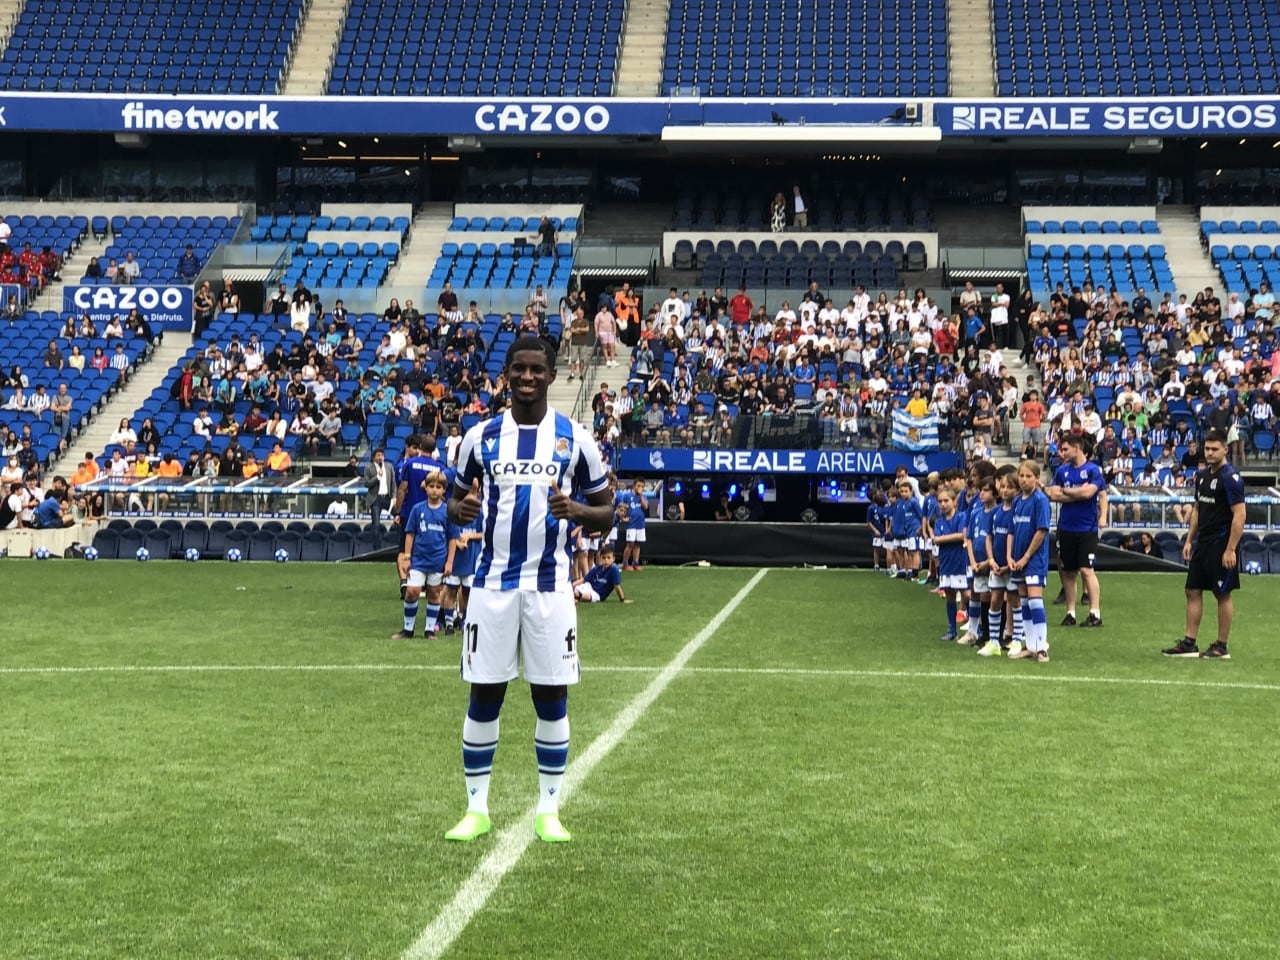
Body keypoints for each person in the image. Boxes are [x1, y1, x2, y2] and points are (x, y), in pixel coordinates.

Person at [443, 336, 614, 844]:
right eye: (518, 369)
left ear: (552, 374)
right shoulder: (480, 436)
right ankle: (477, 810)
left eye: (537, 369)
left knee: (550, 696)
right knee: (484, 693)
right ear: (506, 374)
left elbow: (607, 512)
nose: (527, 377)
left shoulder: (575, 438)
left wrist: (578, 512)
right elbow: (454, 503)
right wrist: (461, 512)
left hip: (550, 587)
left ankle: (549, 810)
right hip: (492, 585)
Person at [1163, 429, 1245, 660]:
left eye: (1214, 449)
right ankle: (1189, 643)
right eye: (1207, 449)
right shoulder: (1201, 476)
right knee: (1192, 589)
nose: (1209, 453)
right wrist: (1189, 539)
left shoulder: (1231, 478)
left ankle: (1221, 646)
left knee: (1222, 593)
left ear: (1225, 449)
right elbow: (1198, 509)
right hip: (1203, 542)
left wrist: (1230, 549)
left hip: (1222, 543)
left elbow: (1239, 516)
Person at [1046, 433, 1105, 628]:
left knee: (1087, 570)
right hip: (1066, 527)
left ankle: (1095, 613)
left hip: (1087, 527)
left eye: (1065, 449)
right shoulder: (1061, 471)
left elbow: (1090, 493)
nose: (1061, 453)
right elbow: (1052, 494)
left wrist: (1067, 492)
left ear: (1077, 448)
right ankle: (1070, 613)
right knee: (1068, 572)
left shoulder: (1093, 470)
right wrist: (1077, 493)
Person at [394, 470, 451, 640]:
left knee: (434, 593)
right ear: (425, 488)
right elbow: (410, 534)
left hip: (438, 560)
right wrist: (407, 556)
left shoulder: (448, 512)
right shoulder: (417, 509)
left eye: (438, 487)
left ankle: (429, 630)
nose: (434, 490)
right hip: (418, 559)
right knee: (412, 591)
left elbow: (452, 539)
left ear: (443, 490)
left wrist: (449, 562)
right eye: (431, 486)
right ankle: (408, 629)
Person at [1007, 460, 1052, 662]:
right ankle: (1030, 645)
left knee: (1035, 600)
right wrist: (1009, 556)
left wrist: (1026, 556)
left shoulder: (1040, 500)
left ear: (1037, 478)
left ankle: (1042, 647)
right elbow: (1011, 531)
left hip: (1033, 560)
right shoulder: (1017, 502)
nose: (1024, 480)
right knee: (1024, 601)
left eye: (1028, 476)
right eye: (1021, 476)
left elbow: (1041, 531)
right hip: (1017, 560)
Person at [932, 488, 969, 642]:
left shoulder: (962, 516)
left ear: (954, 502)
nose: (943, 504)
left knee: (967, 594)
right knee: (949, 596)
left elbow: (962, 535)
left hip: (960, 561)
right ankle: (952, 629)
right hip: (946, 561)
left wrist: (942, 539)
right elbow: (936, 538)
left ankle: (976, 626)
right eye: (940, 501)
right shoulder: (938, 521)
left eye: (946, 501)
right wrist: (944, 539)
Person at [362, 448, 395, 549]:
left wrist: (394, 497)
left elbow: (393, 483)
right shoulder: (368, 467)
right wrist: (377, 477)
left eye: (382, 455)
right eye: (378, 455)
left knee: (400, 519)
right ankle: (377, 548)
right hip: (375, 499)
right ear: (374, 457)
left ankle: (398, 545)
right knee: (376, 525)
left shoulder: (389, 467)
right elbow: (366, 484)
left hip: (387, 498)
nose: (380, 457)